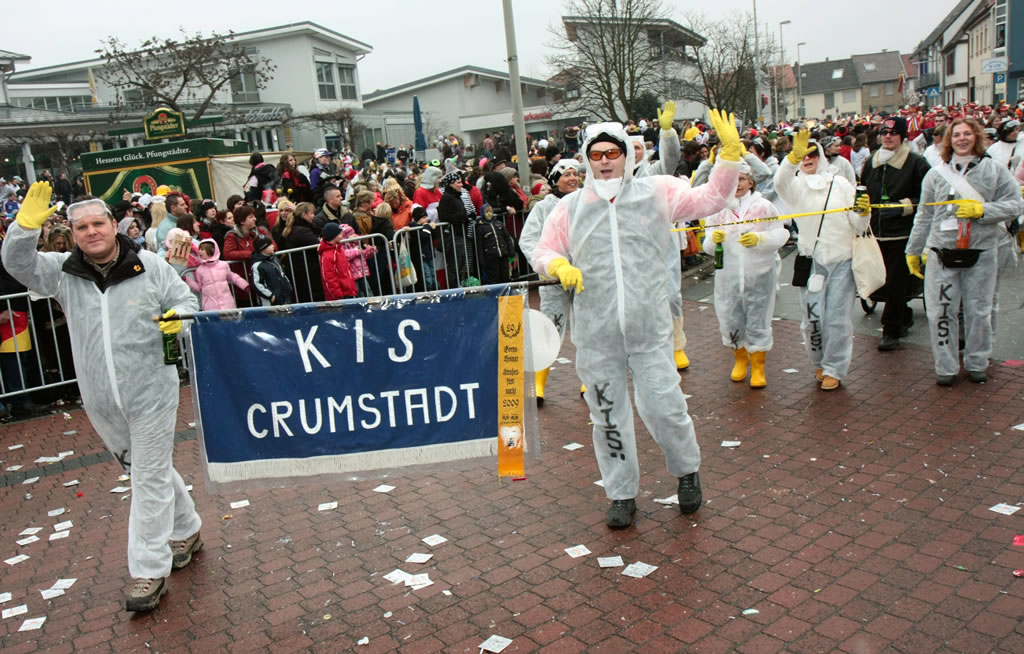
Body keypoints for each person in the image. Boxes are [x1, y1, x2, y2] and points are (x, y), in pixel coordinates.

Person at [531, 110, 742, 529]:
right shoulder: (571, 208)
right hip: (597, 334)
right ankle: (621, 493)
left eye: (612, 153)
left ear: (627, 155)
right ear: (587, 160)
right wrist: (557, 265)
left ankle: (687, 471)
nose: (605, 162)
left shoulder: (656, 192)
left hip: (649, 328)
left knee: (665, 407)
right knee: (607, 416)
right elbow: (543, 250)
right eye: (596, 155)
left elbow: (710, 200)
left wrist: (730, 158)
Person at [1, 183, 202, 611]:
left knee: (147, 477)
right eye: (82, 227)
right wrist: (23, 228)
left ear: (114, 225)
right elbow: (17, 263)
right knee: (143, 469)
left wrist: (179, 319)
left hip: (152, 390)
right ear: (73, 234)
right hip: (99, 396)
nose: (91, 232)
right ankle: (187, 527)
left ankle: (149, 569)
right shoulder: (62, 272)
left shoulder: (150, 265)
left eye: (98, 223)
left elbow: (186, 300)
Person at [905, 117, 1024, 385]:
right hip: (941, 253)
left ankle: (977, 361)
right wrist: (913, 249)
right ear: (949, 140)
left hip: (982, 252)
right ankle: (945, 366)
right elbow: (923, 215)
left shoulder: (995, 170)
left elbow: (1016, 205)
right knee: (941, 312)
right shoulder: (935, 175)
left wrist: (984, 210)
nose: (962, 139)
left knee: (979, 311)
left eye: (967, 133)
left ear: (977, 137)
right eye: (956, 134)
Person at [774, 131, 868, 391]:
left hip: (841, 261)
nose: (808, 159)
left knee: (837, 319)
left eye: (812, 154)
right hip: (811, 262)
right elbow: (779, 181)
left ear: (821, 157)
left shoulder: (841, 184)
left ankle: (834, 368)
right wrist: (791, 159)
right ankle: (818, 361)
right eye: (803, 155)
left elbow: (858, 223)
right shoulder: (795, 186)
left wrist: (863, 212)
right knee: (813, 319)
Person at [703, 163, 788, 387]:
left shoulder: (764, 207)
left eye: (741, 179)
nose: (737, 184)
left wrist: (761, 239)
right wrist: (713, 240)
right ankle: (740, 360)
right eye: (732, 179)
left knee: (758, 320)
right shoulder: (718, 210)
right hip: (728, 278)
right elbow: (708, 246)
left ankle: (758, 366)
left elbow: (781, 234)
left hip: (759, 276)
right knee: (730, 319)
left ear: (750, 181)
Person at [856, 116, 931, 351]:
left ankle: (890, 330)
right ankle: (903, 314)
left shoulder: (917, 163)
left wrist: (903, 206)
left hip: (902, 233)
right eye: (884, 133)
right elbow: (863, 189)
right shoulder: (872, 162)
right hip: (875, 232)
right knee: (880, 280)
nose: (888, 137)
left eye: (893, 133)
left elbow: (929, 198)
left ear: (902, 136)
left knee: (897, 282)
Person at [519, 159, 582, 405]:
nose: (573, 178)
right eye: (567, 174)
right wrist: (547, 266)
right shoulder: (544, 208)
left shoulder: (587, 201)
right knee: (551, 328)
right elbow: (528, 240)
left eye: (575, 173)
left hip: (584, 277)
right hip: (553, 280)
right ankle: (538, 382)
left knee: (588, 329)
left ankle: (591, 379)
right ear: (556, 180)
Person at [277, 201, 323, 303]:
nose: (314, 216)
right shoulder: (303, 231)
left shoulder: (294, 228)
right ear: (304, 215)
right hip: (307, 272)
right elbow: (318, 247)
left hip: (300, 271)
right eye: (311, 213)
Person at [184, 240, 250, 311]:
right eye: (199, 249)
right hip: (210, 307)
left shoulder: (223, 265)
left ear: (211, 250)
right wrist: (187, 279)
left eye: (202, 250)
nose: (199, 252)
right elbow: (199, 287)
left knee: (230, 317)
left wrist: (244, 285)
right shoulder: (199, 270)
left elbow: (233, 277)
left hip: (227, 304)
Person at [318, 222, 357, 300]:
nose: (342, 235)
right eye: (339, 234)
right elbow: (329, 277)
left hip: (347, 291)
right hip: (340, 295)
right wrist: (338, 295)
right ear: (333, 236)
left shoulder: (339, 250)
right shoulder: (327, 255)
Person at [251, 236, 292, 306]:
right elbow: (257, 284)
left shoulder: (274, 259)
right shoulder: (257, 266)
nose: (273, 246)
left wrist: (288, 286)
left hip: (284, 296)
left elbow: (282, 274)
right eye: (269, 245)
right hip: (271, 302)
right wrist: (270, 295)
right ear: (263, 248)